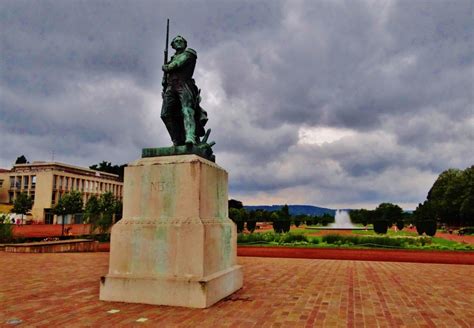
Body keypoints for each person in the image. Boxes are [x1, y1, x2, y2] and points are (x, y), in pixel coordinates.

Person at [161, 35, 208, 146]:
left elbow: (178, 64)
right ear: (172, 45)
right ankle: (177, 139)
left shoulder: (189, 53)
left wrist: (167, 67)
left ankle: (190, 137)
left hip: (184, 84)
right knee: (165, 114)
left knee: (187, 111)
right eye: (176, 41)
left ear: (185, 44)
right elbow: (167, 74)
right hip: (170, 87)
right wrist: (164, 80)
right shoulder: (171, 59)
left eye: (181, 41)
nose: (179, 42)